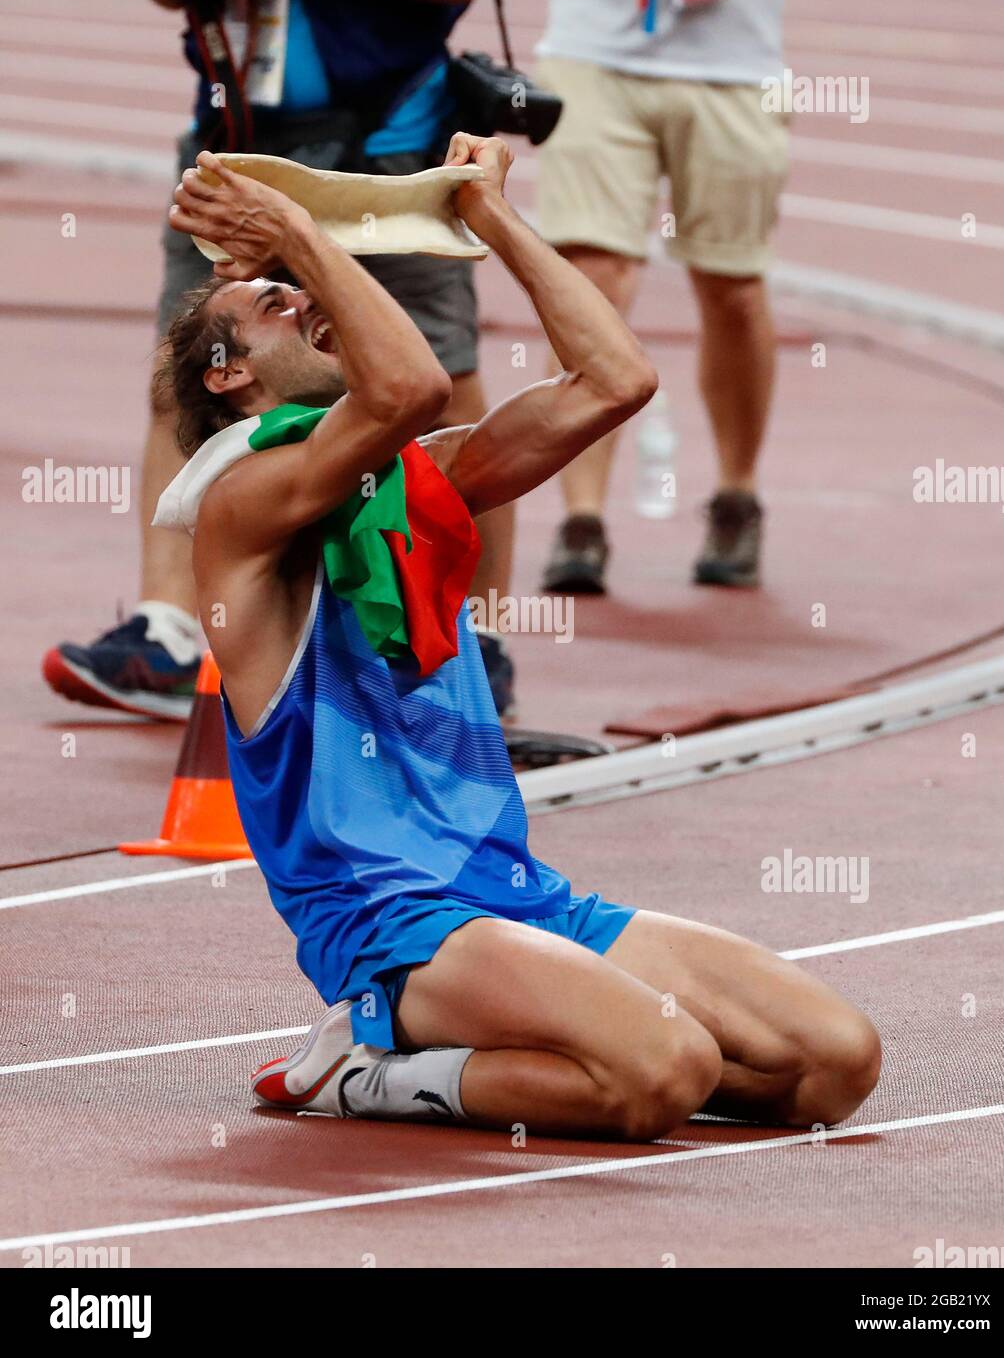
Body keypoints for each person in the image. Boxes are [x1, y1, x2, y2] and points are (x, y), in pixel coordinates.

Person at [159, 134, 880, 1140]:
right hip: (391, 919)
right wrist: (293, 230)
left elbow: (614, 378)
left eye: (297, 287)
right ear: (229, 374)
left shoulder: (415, 483)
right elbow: (405, 385)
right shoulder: (239, 505)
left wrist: (489, 215)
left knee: (832, 1064)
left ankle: (548, 1040)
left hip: (512, 894)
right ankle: (360, 1072)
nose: (302, 297)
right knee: (660, 1069)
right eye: (270, 304)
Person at [43, 0, 518, 720]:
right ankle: (166, 629)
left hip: (384, 146)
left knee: (439, 376)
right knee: (189, 371)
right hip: (236, 144)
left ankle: (482, 631)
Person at [535, 0, 790, 594]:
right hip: (593, 51)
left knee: (732, 286)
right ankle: (581, 517)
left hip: (735, 63)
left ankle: (737, 495)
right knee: (590, 281)